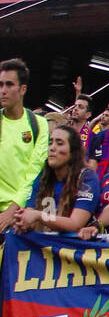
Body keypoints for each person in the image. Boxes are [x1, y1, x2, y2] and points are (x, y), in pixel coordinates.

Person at [11, 125, 98, 235]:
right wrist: (22, 220)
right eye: (50, 143)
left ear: (73, 151)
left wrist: (38, 216)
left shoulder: (87, 178)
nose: (52, 148)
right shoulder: (43, 176)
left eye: (59, 143)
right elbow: (30, 212)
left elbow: (75, 224)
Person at [0, 58, 49, 220]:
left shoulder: (39, 124)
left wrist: (12, 211)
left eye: (9, 84)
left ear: (23, 89)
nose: (3, 90)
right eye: (0, 85)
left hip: (21, 213)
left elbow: (34, 172)